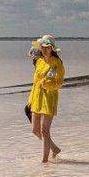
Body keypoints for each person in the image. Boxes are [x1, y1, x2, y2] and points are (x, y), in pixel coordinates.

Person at [28, 35, 65, 163]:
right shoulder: (39, 61)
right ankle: (54, 149)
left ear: (52, 48)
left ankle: (44, 161)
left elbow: (59, 82)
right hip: (36, 97)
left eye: (47, 47)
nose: (44, 50)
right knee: (35, 130)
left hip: (49, 97)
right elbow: (35, 82)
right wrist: (30, 99)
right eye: (42, 47)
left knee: (44, 130)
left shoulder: (57, 63)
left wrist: (48, 85)